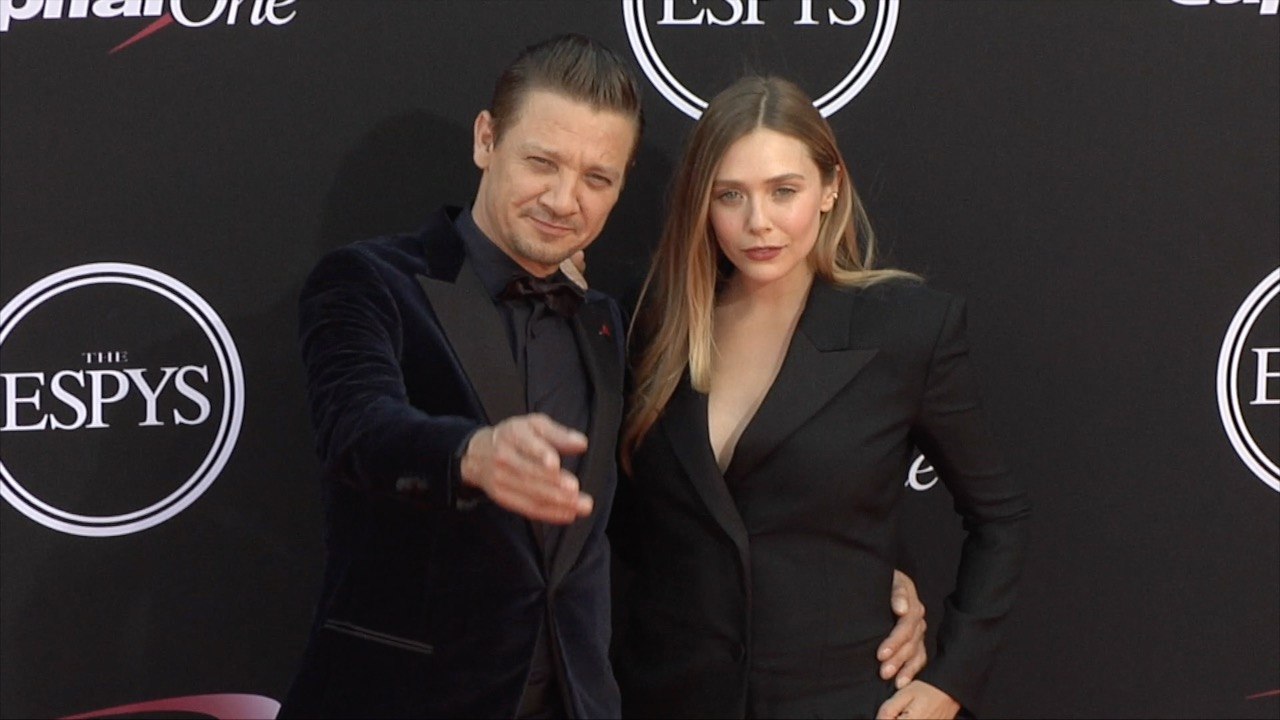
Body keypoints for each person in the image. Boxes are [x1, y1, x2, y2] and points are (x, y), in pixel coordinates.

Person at [280, 36, 927, 719]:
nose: (565, 199)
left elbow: (680, 509)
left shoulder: (609, 325)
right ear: (485, 140)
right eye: (541, 163)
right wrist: (472, 454)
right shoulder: (372, 282)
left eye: (598, 178)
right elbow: (358, 429)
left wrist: (869, 577)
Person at [610, 76, 1031, 720]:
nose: (759, 222)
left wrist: (952, 681)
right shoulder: (651, 329)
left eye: (784, 191)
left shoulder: (905, 328)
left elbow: (999, 519)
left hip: (840, 701)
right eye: (731, 195)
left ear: (830, 188)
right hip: (666, 697)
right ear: (702, 203)